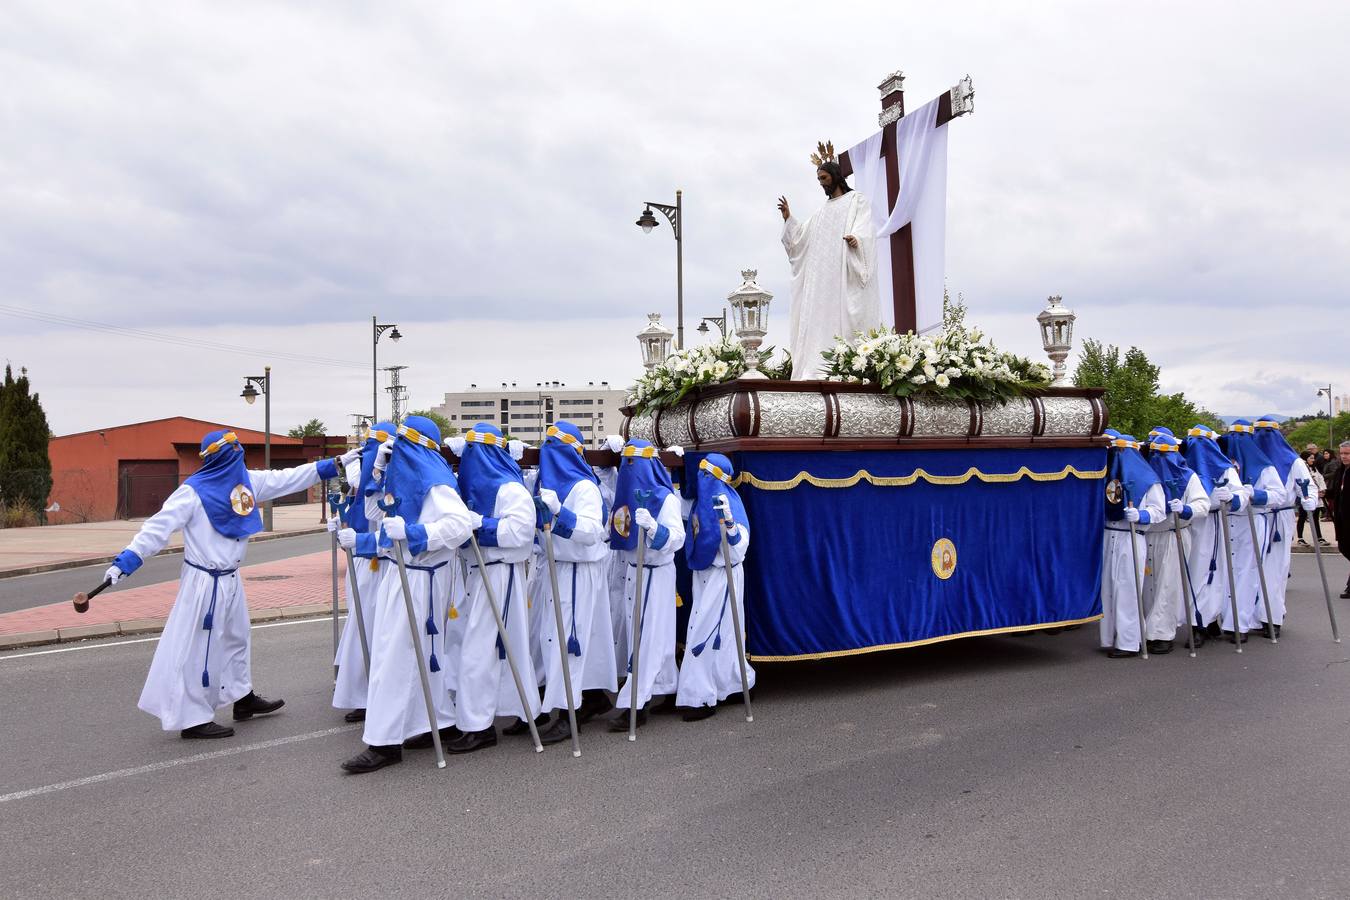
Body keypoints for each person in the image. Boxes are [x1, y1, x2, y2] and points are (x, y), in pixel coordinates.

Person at [104, 430, 350, 739]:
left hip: (230, 578)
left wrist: (335, 463)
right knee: (201, 648)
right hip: (204, 582)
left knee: (237, 638)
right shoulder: (192, 492)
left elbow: (287, 478)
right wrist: (126, 560)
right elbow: (157, 527)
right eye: (234, 452)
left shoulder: (245, 482)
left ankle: (242, 697)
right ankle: (193, 718)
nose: (240, 458)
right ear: (223, 457)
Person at [338, 416, 474, 773]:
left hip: (421, 579)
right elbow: (380, 522)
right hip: (403, 576)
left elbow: (459, 526)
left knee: (394, 658)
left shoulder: (435, 483)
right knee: (414, 655)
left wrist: (417, 532)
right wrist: (376, 474)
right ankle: (434, 722)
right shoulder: (407, 482)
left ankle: (383, 743)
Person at [449, 422, 539, 753]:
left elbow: (520, 533)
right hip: (478, 573)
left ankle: (478, 725)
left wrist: (482, 525)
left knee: (480, 649)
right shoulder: (472, 490)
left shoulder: (509, 489)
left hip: (500, 574)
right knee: (500, 647)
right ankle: (521, 710)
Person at [529, 422, 617, 746]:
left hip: (579, 569)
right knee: (556, 638)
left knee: (570, 640)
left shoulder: (584, 487)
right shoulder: (545, 484)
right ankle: (592, 696)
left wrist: (560, 513)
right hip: (557, 567)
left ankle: (568, 714)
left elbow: (593, 530)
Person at [778, 149, 880, 379]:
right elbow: (800, 240)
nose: (821, 183)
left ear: (835, 175)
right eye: (818, 180)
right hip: (822, 281)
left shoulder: (856, 200)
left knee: (845, 316)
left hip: (844, 272)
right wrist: (788, 219)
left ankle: (847, 365)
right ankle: (816, 367)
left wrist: (857, 239)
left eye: (824, 178)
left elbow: (866, 228)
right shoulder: (821, 212)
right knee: (819, 321)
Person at [609, 439, 685, 728]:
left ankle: (634, 705)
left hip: (655, 571)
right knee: (649, 635)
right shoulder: (623, 496)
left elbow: (677, 538)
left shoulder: (665, 498)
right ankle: (666, 687)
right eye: (626, 462)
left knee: (648, 636)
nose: (630, 468)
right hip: (632, 571)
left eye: (635, 462)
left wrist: (654, 528)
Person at [675, 454, 754, 719]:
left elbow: (740, 547)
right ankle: (733, 684)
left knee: (706, 633)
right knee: (723, 633)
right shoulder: (698, 502)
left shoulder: (731, 501)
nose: (702, 479)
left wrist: (729, 524)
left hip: (724, 574)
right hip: (703, 575)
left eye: (707, 474)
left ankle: (699, 697)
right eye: (700, 473)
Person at [330, 421, 395, 723]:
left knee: (378, 630)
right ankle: (361, 691)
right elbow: (361, 505)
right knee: (361, 628)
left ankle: (375, 694)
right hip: (365, 560)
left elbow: (384, 522)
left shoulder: (392, 475)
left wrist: (363, 539)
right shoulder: (366, 470)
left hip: (383, 562)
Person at [1139, 432, 1210, 653]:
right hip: (1149, 534)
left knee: (1168, 585)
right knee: (1148, 586)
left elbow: (1203, 504)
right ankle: (1146, 629)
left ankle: (1162, 634)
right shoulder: (1145, 474)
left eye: (1165, 454)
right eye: (1156, 454)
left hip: (1173, 534)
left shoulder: (1189, 477)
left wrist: (1186, 509)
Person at [1220, 420, 1289, 638]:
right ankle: (1224, 618)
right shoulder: (1222, 463)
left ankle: (1240, 623)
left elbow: (1279, 495)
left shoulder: (1265, 466)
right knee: (1224, 572)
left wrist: (1255, 494)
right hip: (1225, 520)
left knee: (1247, 572)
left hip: (1251, 520)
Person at [1099, 434, 1165, 658]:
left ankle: (1129, 642)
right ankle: (1110, 637)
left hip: (1130, 536)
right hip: (1109, 535)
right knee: (1107, 588)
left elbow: (1159, 510)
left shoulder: (1148, 479)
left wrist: (1141, 515)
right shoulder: (1105, 473)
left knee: (1127, 589)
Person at [1251, 417, 1318, 635]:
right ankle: (1249, 617)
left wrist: (1309, 500)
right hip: (1254, 517)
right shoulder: (1250, 460)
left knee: (1275, 569)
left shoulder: (1294, 462)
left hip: (1279, 519)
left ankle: (1272, 617)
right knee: (1250, 568)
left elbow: (1308, 488)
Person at [1182, 425, 1248, 636]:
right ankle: (1198, 619)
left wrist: (1231, 498)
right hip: (1191, 523)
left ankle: (1205, 620)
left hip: (1214, 524)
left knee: (1213, 572)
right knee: (1194, 571)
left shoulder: (1225, 468)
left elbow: (1241, 495)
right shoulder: (1184, 467)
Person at [1327, 441, 1350, 598]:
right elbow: (1336, 491)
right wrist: (1325, 493)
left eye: (1347, 453)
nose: (1344, 456)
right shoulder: (1340, 471)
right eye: (1342, 453)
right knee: (1344, 548)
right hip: (1341, 519)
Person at [1294, 450, 1328, 546]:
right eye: (1311, 458)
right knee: (1302, 517)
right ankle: (1300, 538)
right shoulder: (1303, 469)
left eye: (1313, 458)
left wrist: (1322, 490)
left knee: (1316, 517)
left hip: (1317, 497)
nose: (1313, 460)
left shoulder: (1314, 468)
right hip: (1306, 496)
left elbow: (1320, 479)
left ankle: (1319, 537)